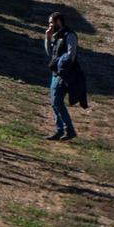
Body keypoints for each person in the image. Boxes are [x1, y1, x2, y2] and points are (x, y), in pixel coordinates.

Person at [44, 12, 85, 141]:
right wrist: (48, 37)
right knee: (54, 102)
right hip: (55, 73)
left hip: (64, 74)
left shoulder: (69, 35)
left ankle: (68, 129)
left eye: (52, 22)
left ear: (59, 21)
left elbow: (71, 54)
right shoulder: (57, 36)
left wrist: (63, 69)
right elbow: (50, 54)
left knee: (57, 102)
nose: (50, 25)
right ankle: (60, 129)